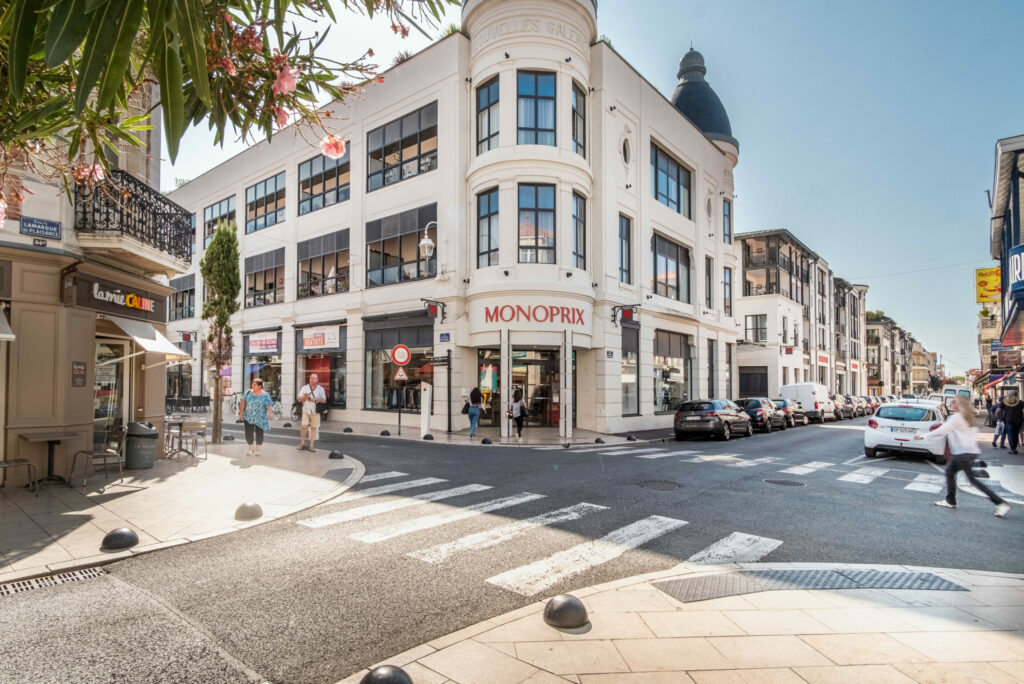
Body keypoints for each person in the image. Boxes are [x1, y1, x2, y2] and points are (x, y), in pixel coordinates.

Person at [914, 395, 1010, 518]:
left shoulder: (956, 417)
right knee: (950, 472)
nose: (951, 404)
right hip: (969, 452)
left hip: (962, 454)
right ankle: (950, 501)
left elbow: (942, 431)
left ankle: (1000, 503)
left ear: (959, 405)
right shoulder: (968, 418)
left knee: (971, 479)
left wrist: (923, 436)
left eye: (954, 402)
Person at [238, 378, 273, 457]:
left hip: (261, 417)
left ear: (260, 386)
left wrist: (270, 413)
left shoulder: (265, 395)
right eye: (252, 384)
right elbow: (243, 402)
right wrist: (241, 412)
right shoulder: (247, 392)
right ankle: (250, 449)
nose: (252, 386)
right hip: (248, 416)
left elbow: (269, 404)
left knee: (259, 433)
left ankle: (258, 450)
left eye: (255, 385)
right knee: (248, 433)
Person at [296, 373, 327, 453]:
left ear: (317, 380)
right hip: (306, 410)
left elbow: (324, 400)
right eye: (310, 378)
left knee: (313, 428)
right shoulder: (305, 388)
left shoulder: (320, 389)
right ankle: (302, 442)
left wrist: (315, 399)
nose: (311, 379)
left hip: (315, 411)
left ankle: (311, 445)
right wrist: (304, 398)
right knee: (303, 426)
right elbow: (299, 399)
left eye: (313, 378)